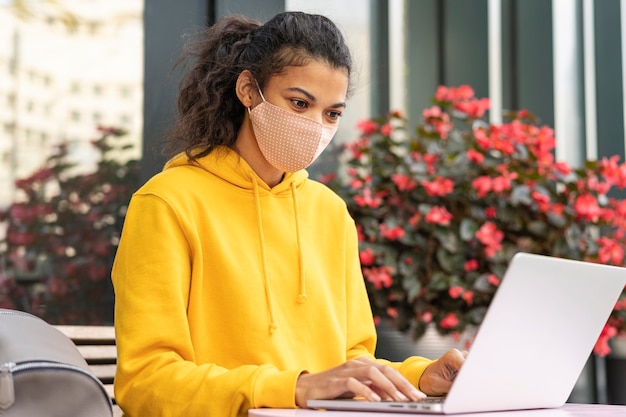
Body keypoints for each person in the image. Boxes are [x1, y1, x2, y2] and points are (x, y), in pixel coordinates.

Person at [111, 11, 466, 417]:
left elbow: (350, 362)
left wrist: (420, 377)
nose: (315, 126)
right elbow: (145, 382)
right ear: (248, 89)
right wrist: (293, 387)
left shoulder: (330, 212)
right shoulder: (167, 203)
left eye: (332, 113)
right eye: (299, 103)